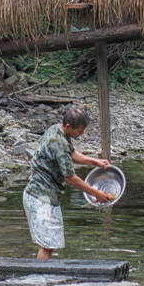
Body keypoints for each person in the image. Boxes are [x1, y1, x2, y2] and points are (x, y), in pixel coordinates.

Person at [23, 107, 116, 260]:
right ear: (68, 126)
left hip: (44, 196)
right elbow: (70, 177)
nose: (82, 134)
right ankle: (40, 279)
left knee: (48, 244)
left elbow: (71, 153)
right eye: (79, 131)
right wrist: (97, 193)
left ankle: (43, 276)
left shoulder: (57, 130)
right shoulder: (58, 143)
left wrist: (94, 161)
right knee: (46, 245)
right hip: (40, 198)